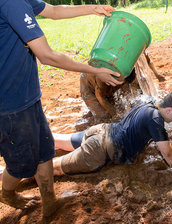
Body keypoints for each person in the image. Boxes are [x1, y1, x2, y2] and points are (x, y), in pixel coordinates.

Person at [0, 1, 123, 218]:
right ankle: (7, 193)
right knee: (20, 165)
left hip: (27, 96)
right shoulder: (12, 2)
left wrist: (92, 8)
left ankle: (50, 202)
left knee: (45, 150)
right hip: (10, 104)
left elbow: (54, 10)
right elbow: (46, 56)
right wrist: (94, 71)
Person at [52, 91, 172, 176]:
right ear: (169, 110)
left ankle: (34, 137)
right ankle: (31, 171)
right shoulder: (156, 119)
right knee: (55, 168)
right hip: (100, 148)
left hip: (102, 130)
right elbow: (168, 153)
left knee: (58, 140)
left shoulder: (149, 101)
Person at [80, 49, 165, 123]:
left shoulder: (130, 62)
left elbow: (140, 92)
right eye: (123, 82)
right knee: (105, 117)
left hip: (110, 81)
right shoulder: (103, 76)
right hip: (89, 87)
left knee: (124, 105)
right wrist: (116, 117)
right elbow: (100, 97)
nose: (124, 85)